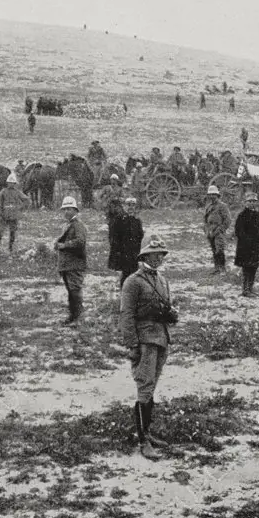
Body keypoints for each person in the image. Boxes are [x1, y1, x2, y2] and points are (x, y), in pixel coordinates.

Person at [119, 235, 176, 460]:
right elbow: (126, 315)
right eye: (155, 254)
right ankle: (143, 441)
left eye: (162, 254)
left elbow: (167, 305)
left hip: (161, 338)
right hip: (145, 342)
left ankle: (148, 432)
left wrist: (171, 314)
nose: (159, 258)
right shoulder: (133, 281)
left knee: (151, 387)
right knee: (144, 387)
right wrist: (133, 345)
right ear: (145, 256)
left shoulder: (162, 279)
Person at [56, 196, 88, 327]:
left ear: (75, 210)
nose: (66, 212)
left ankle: (79, 318)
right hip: (67, 265)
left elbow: (80, 242)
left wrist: (65, 245)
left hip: (75, 264)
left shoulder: (78, 225)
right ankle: (72, 316)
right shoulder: (69, 225)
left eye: (69, 209)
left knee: (75, 291)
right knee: (71, 291)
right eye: (64, 209)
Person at [234, 193, 259, 297]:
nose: (252, 203)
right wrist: (247, 241)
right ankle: (245, 289)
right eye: (249, 201)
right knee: (246, 268)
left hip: (256, 247)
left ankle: (250, 288)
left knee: (254, 267)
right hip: (246, 248)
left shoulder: (257, 215)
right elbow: (238, 231)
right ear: (245, 203)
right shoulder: (242, 215)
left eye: (254, 201)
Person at [108, 197, 144, 287]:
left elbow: (140, 237)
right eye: (128, 205)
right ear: (124, 206)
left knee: (135, 276)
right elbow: (113, 238)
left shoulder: (137, 221)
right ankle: (124, 295)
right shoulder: (118, 220)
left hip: (134, 254)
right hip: (123, 254)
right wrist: (117, 254)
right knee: (125, 276)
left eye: (133, 205)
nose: (130, 207)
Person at [0, 173, 30, 252]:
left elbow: (27, 200)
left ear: (15, 184)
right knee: (0, 231)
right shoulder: (3, 192)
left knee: (12, 232)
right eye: (10, 183)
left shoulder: (17, 192)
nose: (11, 184)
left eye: (13, 183)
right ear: (7, 183)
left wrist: (20, 208)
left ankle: (10, 248)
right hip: (4, 215)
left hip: (14, 215)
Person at [203, 185, 231, 275]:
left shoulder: (222, 206)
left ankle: (222, 269)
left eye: (213, 195)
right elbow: (205, 219)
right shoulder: (209, 207)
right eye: (210, 195)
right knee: (214, 250)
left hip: (218, 231)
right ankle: (216, 269)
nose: (211, 197)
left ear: (217, 196)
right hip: (210, 231)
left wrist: (221, 229)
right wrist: (206, 230)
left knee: (220, 250)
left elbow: (227, 220)